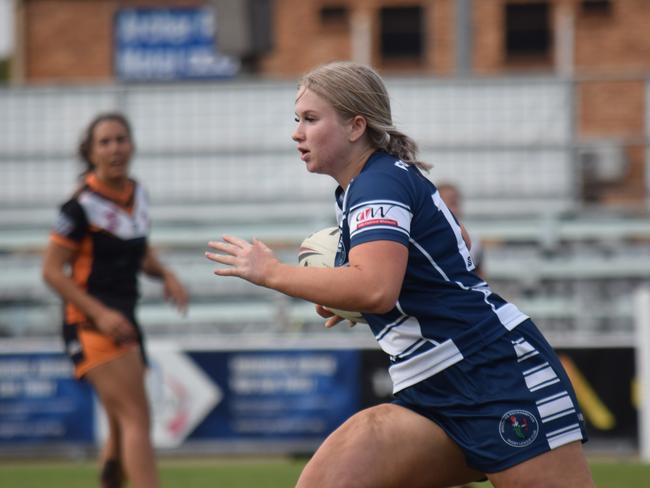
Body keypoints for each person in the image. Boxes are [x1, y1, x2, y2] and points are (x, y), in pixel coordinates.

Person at [205, 61, 594, 487]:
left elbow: (375, 288)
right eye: (297, 120)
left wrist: (272, 272)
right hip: (429, 383)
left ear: (356, 127)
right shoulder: (369, 183)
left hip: (492, 373)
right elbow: (449, 245)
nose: (297, 132)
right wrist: (351, 298)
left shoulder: (378, 183)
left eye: (311, 119)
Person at [42, 112, 188, 488]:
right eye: (104, 142)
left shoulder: (137, 194)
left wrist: (166, 275)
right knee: (136, 417)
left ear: (132, 145)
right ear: (90, 152)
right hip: (91, 321)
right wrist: (101, 314)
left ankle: (111, 477)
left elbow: (137, 252)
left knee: (122, 424)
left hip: (125, 317)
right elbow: (52, 271)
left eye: (121, 139)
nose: (115, 148)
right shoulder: (79, 207)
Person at [438, 182, 484, 277]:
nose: (455, 208)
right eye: (451, 203)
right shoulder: (426, 235)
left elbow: (480, 273)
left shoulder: (474, 238)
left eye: (456, 202)